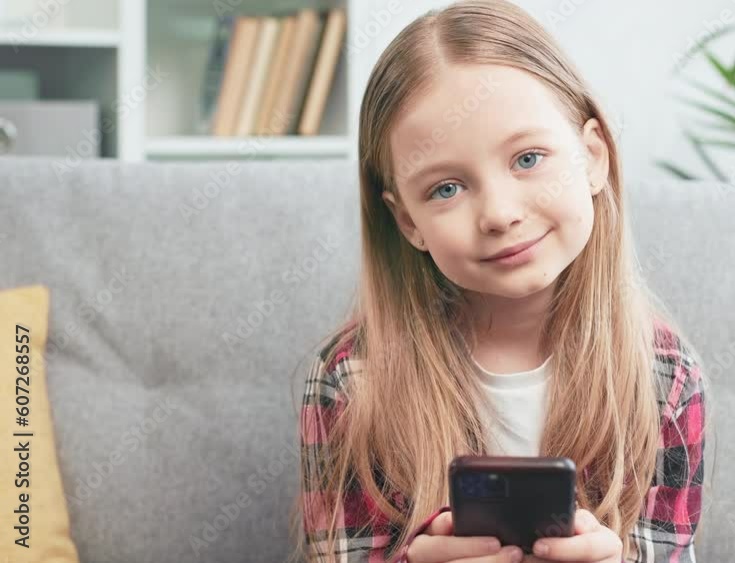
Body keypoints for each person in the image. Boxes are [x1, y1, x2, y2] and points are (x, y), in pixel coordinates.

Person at [294, 1, 709, 561]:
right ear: (408, 222)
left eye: (528, 159)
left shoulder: (664, 376)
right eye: (446, 188)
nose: (499, 213)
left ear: (592, 157)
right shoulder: (350, 381)